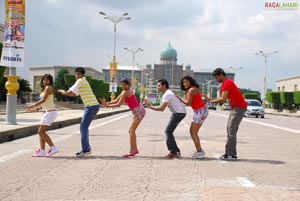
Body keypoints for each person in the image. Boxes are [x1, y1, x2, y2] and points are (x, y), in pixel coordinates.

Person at [204, 68, 247, 161]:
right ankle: (229, 153)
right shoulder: (227, 82)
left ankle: (231, 154)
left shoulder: (227, 83)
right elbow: (223, 98)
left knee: (231, 130)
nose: (216, 79)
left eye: (216, 77)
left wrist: (210, 100)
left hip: (238, 108)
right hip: (236, 108)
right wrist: (211, 99)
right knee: (230, 129)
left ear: (221, 75)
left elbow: (222, 99)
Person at [57, 67, 100, 157]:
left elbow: (70, 91)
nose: (77, 76)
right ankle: (86, 148)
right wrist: (66, 93)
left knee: (83, 127)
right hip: (93, 105)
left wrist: (63, 92)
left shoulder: (80, 81)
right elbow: (74, 94)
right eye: (76, 74)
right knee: (84, 127)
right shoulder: (84, 81)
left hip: (91, 106)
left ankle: (86, 149)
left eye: (79, 74)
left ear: (83, 75)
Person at [100, 78, 146, 158]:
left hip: (138, 110)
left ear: (128, 85)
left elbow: (118, 104)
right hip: (138, 110)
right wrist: (106, 103)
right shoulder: (124, 91)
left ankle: (133, 150)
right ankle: (134, 150)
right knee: (131, 130)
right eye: (122, 84)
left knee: (131, 130)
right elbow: (115, 101)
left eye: (125, 84)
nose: (123, 86)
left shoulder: (126, 92)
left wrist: (106, 106)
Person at [144, 79, 186, 159]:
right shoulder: (168, 93)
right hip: (178, 112)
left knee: (168, 131)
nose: (157, 87)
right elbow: (161, 106)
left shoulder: (167, 94)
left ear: (164, 86)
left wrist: (149, 106)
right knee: (169, 131)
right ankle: (175, 151)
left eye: (159, 86)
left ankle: (173, 152)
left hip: (178, 113)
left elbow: (161, 108)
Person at [26, 74, 59, 157]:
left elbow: (43, 100)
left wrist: (32, 105)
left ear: (50, 81)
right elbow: (45, 104)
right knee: (41, 132)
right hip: (47, 112)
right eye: (44, 80)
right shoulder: (44, 89)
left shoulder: (49, 88)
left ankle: (53, 147)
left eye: (47, 80)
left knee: (41, 132)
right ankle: (42, 151)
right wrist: (36, 109)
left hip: (50, 112)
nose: (45, 81)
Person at [176, 76, 208, 159]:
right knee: (192, 132)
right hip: (199, 111)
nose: (185, 84)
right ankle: (199, 150)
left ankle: (200, 152)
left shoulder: (191, 90)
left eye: (187, 82)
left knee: (193, 132)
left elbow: (188, 103)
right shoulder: (192, 89)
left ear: (190, 82)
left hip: (200, 111)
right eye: (183, 82)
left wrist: (179, 98)